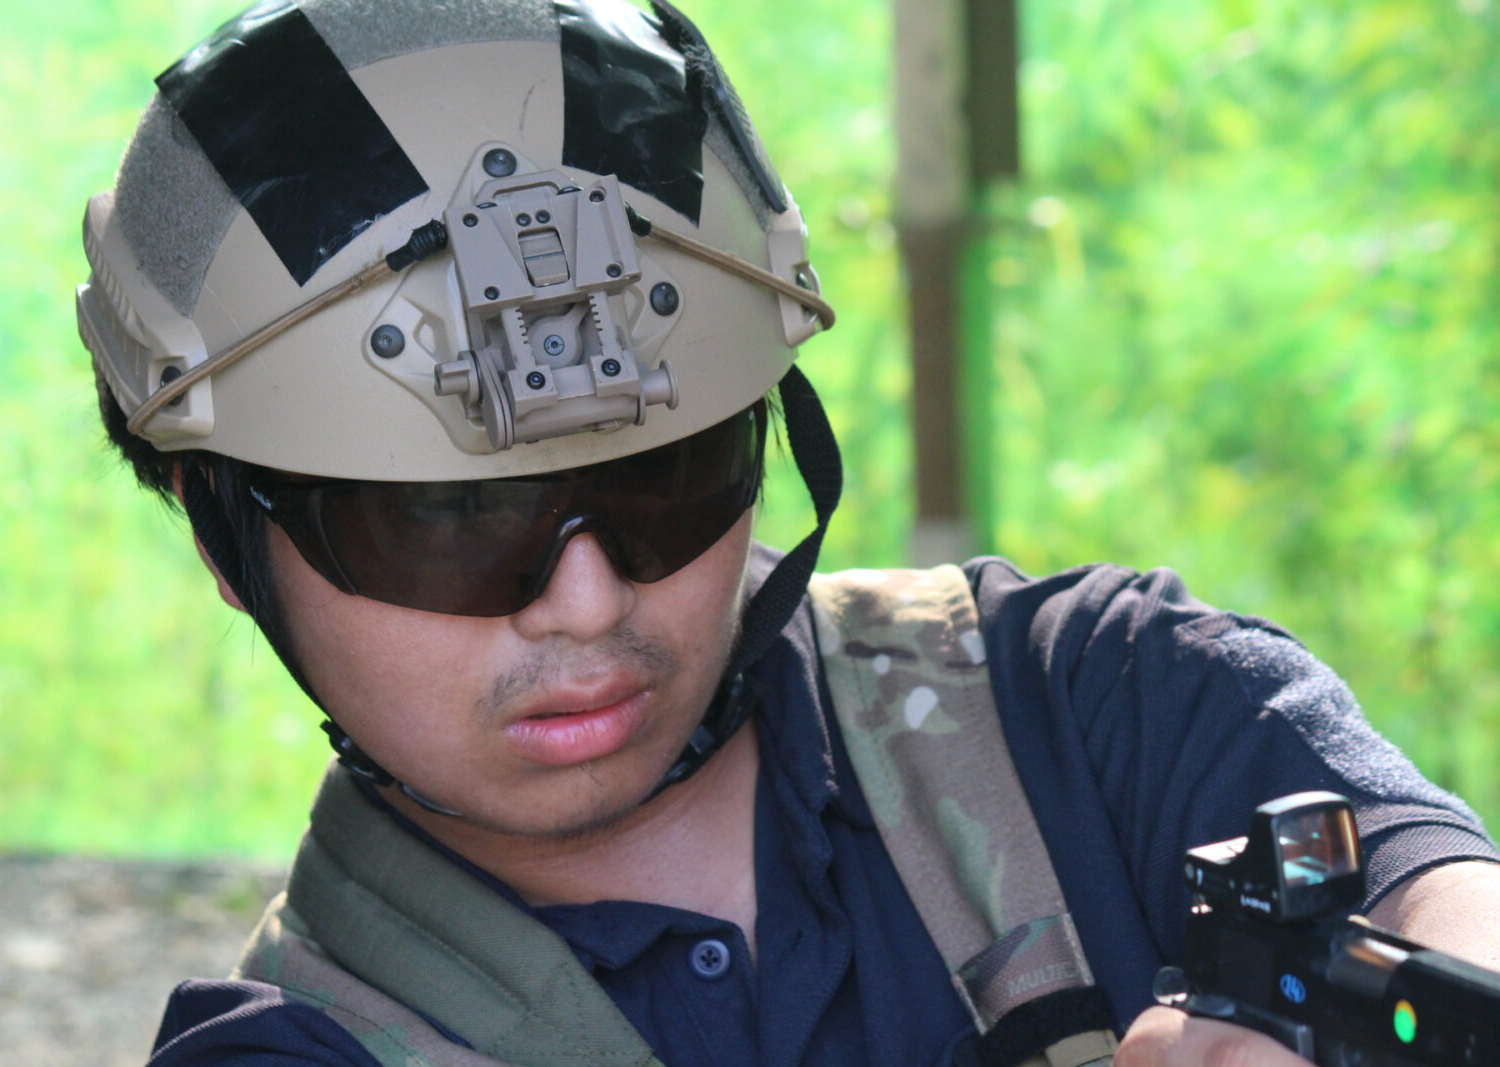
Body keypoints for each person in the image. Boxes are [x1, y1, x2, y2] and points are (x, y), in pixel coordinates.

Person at [76, 1, 1500, 1064]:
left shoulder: (1090, 701)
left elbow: (1444, 901)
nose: (586, 600)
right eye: (446, 524)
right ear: (223, 537)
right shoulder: (300, 1048)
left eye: (668, 476)